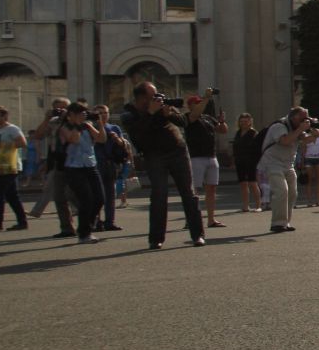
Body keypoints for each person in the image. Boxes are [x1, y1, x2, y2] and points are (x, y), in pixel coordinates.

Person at [121, 83, 206, 250]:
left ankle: (198, 235)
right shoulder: (129, 114)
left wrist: (170, 113)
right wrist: (151, 113)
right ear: (142, 99)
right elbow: (137, 135)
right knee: (159, 195)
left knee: (189, 193)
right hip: (154, 155)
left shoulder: (162, 105)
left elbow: (183, 122)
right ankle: (156, 239)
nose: (157, 98)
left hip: (177, 151)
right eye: (152, 96)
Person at [258, 107, 319, 233]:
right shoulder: (279, 126)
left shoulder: (296, 127)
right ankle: (277, 223)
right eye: (303, 118)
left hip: (288, 164)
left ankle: (286, 222)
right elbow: (285, 141)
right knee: (281, 190)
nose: (306, 120)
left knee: (292, 192)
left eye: (307, 118)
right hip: (272, 162)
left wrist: (314, 135)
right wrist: (301, 129)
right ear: (294, 117)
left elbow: (305, 140)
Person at [56, 102, 107, 245]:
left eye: (84, 113)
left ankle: (86, 227)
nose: (83, 116)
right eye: (79, 113)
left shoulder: (87, 126)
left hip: (91, 165)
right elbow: (74, 139)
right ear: (71, 115)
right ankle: (84, 233)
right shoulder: (65, 128)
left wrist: (99, 124)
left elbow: (102, 139)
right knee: (86, 199)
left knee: (100, 198)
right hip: (74, 168)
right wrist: (78, 124)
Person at [28, 97, 75, 238]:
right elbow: (38, 135)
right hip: (58, 162)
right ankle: (67, 228)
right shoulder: (53, 122)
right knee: (59, 196)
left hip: (77, 163)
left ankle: (92, 222)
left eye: (64, 108)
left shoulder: (78, 121)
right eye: (58, 108)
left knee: (77, 195)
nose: (61, 111)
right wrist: (46, 118)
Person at [182, 91, 227, 229]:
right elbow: (195, 114)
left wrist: (222, 120)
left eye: (199, 102)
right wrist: (207, 98)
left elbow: (222, 130)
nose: (199, 105)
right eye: (196, 103)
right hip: (196, 158)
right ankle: (190, 219)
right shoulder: (188, 117)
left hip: (211, 156)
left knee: (211, 188)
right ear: (190, 106)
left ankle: (211, 219)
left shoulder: (207, 117)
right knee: (194, 190)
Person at [0, 105, 30, 231]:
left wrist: (1, 145)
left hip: (11, 166)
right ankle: (22, 222)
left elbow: (22, 143)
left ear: (5, 116)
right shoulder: (0, 130)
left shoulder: (12, 129)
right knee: (11, 195)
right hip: (4, 165)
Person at [92, 104, 129, 231]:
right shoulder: (90, 127)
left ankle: (110, 221)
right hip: (96, 164)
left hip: (111, 164)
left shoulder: (114, 127)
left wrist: (117, 139)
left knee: (110, 194)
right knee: (97, 195)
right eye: (100, 113)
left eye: (105, 113)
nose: (103, 115)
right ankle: (96, 222)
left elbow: (123, 144)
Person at [232, 114, 263, 213]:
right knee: (243, 184)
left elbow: (257, 148)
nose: (243, 123)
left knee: (252, 183)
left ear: (250, 122)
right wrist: (233, 160)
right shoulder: (238, 133)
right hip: (239, 160)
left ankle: (259, 205)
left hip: (251, 161)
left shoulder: (253, 133)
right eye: (242, 121)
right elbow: (235, 147)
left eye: (246, 121)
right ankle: (245, 206)